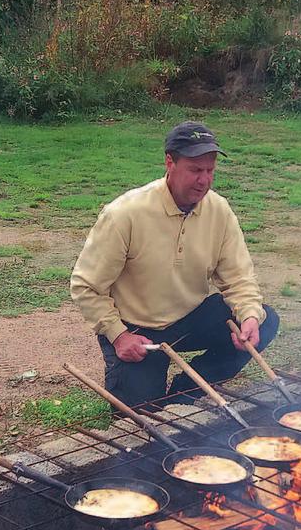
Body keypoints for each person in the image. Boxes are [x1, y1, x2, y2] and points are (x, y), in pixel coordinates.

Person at [71, 121, 279, 408]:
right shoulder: (125, 214)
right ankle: (149, 391)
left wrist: (250, 316)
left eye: (210, 170)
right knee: (142, 421)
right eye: (195, 170)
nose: (204, 180)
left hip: (188, 319)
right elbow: (86, 286)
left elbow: (239, 278)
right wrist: (117, 335)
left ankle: (186, 391)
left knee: (265, 320)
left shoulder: (219, 210)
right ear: (170, 162)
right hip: (136, 329)